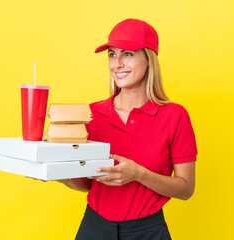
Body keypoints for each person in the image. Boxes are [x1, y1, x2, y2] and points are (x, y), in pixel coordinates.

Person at [59, 18, 198, 240]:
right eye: (112, 55)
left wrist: (138, 174)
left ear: (149, 59)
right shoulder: (91, 115)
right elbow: (87, 185)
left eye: (128, 54)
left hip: (148, 231)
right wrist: (55, 172)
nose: (117, 64)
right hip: (94, 228)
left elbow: (185, 189)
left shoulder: (175, 116)